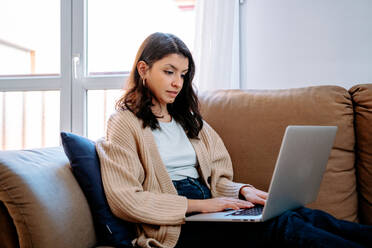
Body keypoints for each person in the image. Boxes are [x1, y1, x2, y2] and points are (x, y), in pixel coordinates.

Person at [96, 32, 372, 248]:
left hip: (210, 211)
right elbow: (126, 200)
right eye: (169, 71)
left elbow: (219, 181)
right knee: (283, 227)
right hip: (176, 227)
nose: (177, 82)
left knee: (300, 215)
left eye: (183, 74)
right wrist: (200, 206)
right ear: (143, 69)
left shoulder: (189, 121)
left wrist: (241, 192)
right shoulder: (123, 123)